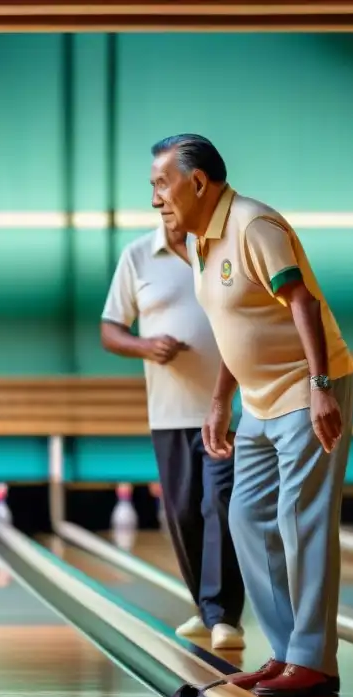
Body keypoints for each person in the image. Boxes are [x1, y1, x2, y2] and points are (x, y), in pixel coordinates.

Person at [149, 133, 353, 697]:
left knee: (300, 519)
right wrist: (220, 401)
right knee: (246, 517)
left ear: (196, 182)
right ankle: (288, 652)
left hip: (307, 388)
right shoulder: (199, 242)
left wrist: (320, 389)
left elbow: (302, 304)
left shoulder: (254, 226)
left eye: (161, 185)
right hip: (260, 401)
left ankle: (314, 660)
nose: (155, 199)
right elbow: (233, 331)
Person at [101, 220, 245, 650]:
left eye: (164, 186)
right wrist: (145, 347)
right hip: (168, 414)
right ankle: (207, 609)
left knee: (218, 503)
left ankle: (224, 617)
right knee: (182, 513)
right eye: (155, 188)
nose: (158, 199)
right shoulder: (138, 255)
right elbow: (110, 330)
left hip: (229, 411)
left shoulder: (226, 250)